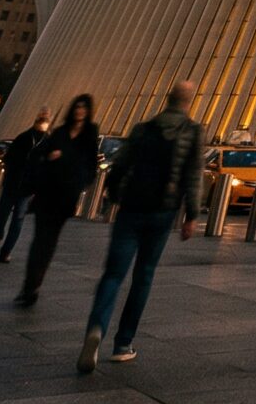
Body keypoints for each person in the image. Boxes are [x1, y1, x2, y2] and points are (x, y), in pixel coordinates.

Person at [78, 80, 202, 372]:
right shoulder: (192, 132)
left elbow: (120, 165)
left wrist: (114, 196)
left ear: (167, 99)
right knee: (144, 275)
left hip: (132, 207)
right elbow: (193, 175)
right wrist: (192, 215)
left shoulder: (143, 128)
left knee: (113, 274)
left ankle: (96, 328)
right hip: (162, 210)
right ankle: (123, 344)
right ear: (189, 102)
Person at [16, 95, 99, 308]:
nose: (80, 111)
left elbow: (91, 166)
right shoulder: (60, 132)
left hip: (66, 196)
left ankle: (34, 284)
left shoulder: (90, 136)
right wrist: (49, 157)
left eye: (84, 108)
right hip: (47, 193)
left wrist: (80, 184)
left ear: (88, 111)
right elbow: (39, 154)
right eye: (77, 107)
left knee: (49, 240)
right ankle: (29, 286)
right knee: (39, 240)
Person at [0, 108, 51, 264]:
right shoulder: (24, 137)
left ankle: (5, 251)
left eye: (46, 116)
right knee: (4, 216)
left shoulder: (47, 142)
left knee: (16, 219)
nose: (43, 119)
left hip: (26, 188)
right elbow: (8, 159)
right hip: (13, 183)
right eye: (42, 116)